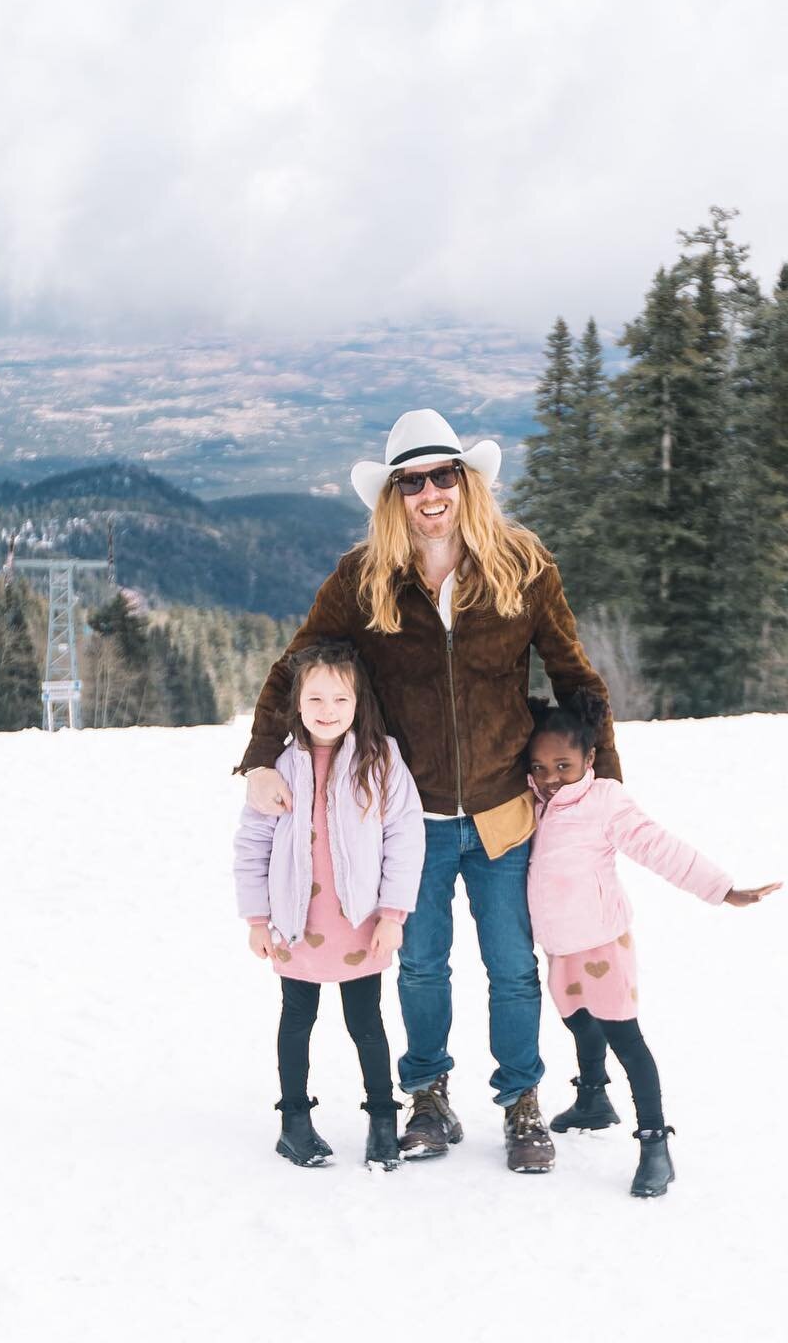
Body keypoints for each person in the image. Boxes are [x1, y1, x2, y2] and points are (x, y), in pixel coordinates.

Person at [237, 408, 617, 1173]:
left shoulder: (523, 563)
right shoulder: (364, 575)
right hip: (409, 822)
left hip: (506, 811)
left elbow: (575, 677)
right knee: (419, 965)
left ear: (466, 482)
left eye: (443, 475)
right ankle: (429, 1099)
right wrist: (259, 760)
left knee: (513, 967)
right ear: (394, 495)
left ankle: (520, 1105)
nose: (430, 492)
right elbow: (296, 666)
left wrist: (604, 790)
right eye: (412, 481)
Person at [525, 692, 782, 1198]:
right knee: (578, 1021)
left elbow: (659, 847)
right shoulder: (533, 800)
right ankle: (593, 1099)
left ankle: (654, 1143)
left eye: (563, 765)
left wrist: (721, 888)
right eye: (540, 766)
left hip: (601, 943)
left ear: (589, 760)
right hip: (559, 945)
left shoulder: (605, 802)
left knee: (625, 1039)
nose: (551, 776)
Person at [234, 639, 425, 1169]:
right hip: (297, 922)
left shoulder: (380, 759)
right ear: (297, 703)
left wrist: (393, 913)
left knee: (366, 1022)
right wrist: (256, 920)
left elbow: (404, 838)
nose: (327, 712)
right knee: (297, 1018)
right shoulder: (279, 767)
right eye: (315, 700)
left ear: (359, 703)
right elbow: (251, 844)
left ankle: (383, 1122)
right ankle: (294, 1122)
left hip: (358, 922)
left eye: (340, 701)